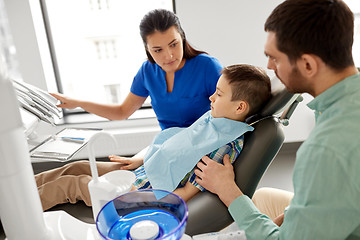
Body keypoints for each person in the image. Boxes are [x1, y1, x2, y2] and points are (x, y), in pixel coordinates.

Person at [195, 0, 360, 239]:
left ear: (307, 64)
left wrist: (227, 190)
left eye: (275, 58)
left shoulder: (326, 150)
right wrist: (295, 217)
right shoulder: (344, 98)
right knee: (262, 199)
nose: (270, 66)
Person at [35, 64, 271, 210]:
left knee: (70, 185)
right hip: (141, 174)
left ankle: (14, 212)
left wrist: (135, 200)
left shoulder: (224, 146)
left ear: (240, 108)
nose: (211, 97)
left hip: (139, 193)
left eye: (218, 94)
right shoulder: (215, 121)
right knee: (79, 166)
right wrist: (142, 161)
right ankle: (20, 191)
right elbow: (178, 144)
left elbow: (187, 193)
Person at [51, 9, 222, 131]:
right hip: (168, 150)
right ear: (147, 49)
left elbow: (230, 116)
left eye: (173, 44)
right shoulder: (147, 72)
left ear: (182, 38)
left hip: (203, 149)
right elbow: (121, 112)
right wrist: (79, 103)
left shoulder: (207, 67)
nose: (169, 56)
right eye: (158, 50)